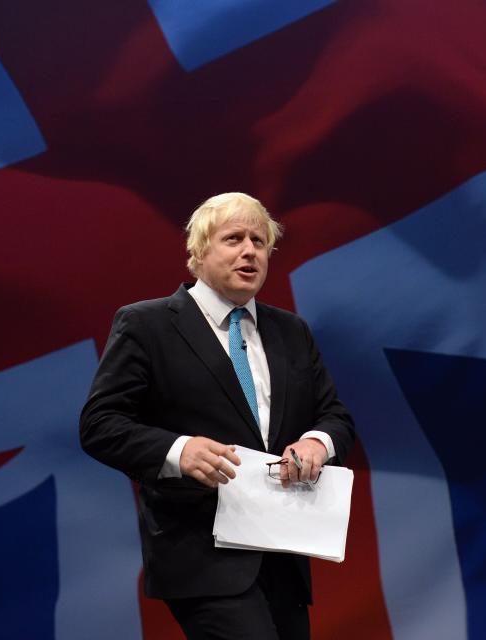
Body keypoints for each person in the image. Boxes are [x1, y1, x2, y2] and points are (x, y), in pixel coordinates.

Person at [79, 192, 355, 640]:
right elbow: (99, 423)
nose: (250, 251)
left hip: (284, 548)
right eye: (234, 238)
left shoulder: (291, 331)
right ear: (199, 251)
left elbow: (335, 415)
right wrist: (177, 450)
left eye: (259, 241)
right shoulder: (146, 325)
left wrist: (317, 443)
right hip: (202, 553)